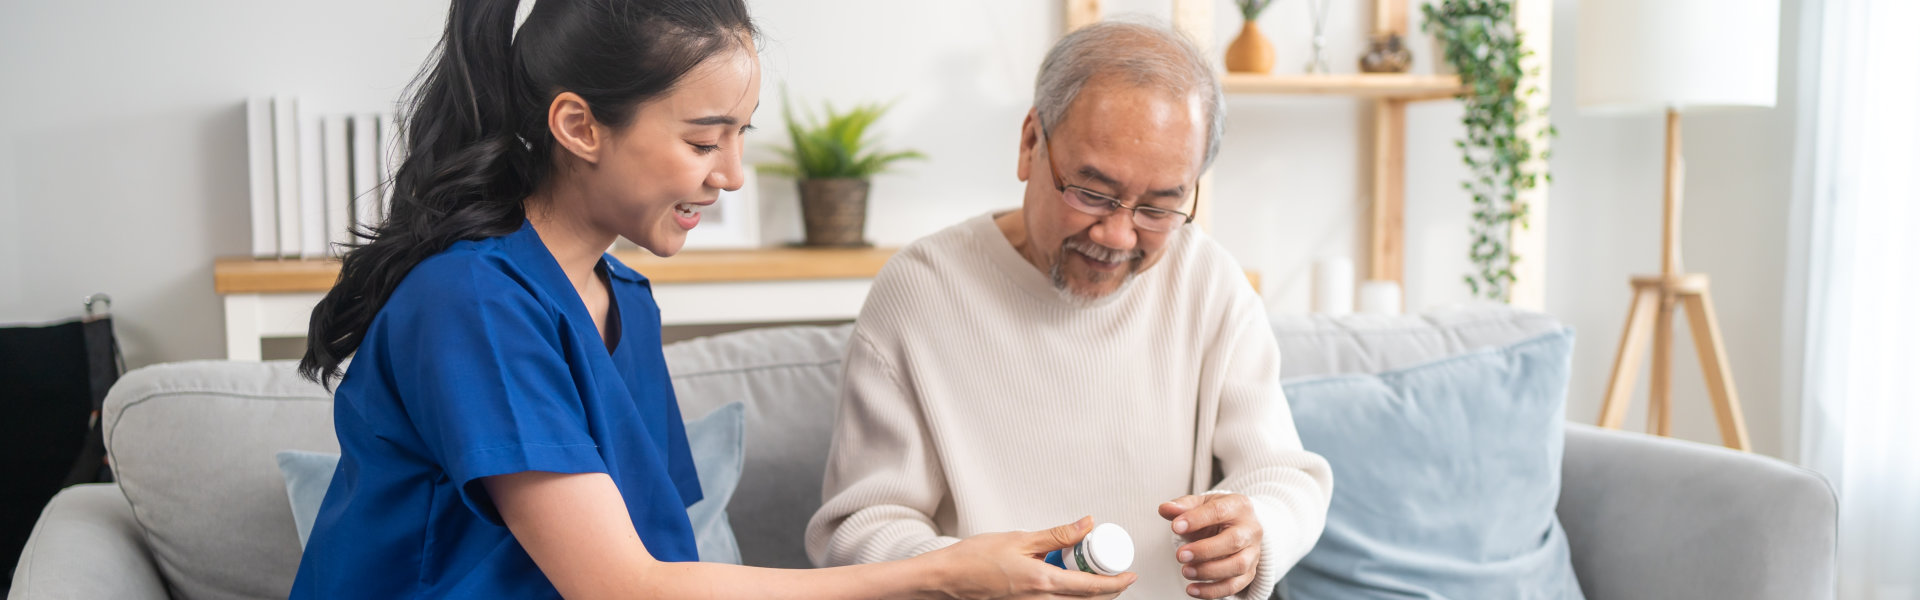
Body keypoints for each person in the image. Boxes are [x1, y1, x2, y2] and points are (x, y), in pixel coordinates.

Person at [289, 1, 1135, 598]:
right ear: (580, 126)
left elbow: (665, 556)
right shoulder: (471, 302)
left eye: (739, 136)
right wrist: (942, 570)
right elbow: (621, 587)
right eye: (703, 139)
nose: (729, 175)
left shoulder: (624, 301)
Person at [805, 21, 1334, 600]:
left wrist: (1255, 531)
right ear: (1032, 141)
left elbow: (1283, 474)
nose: (1118, 236)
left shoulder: (1207, 281)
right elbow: (857, 529)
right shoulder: (921, 292)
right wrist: (967, 576)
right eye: (1091, 193)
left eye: (1159, 207)